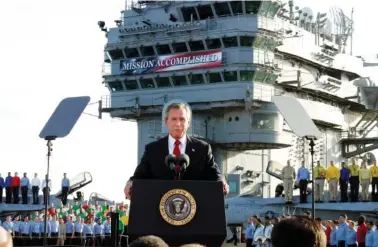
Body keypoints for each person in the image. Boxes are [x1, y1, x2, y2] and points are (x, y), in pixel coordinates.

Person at [124, 102, 228, 199]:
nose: (178, 124)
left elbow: (215, 175)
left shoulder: (203, 149)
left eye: (182, 119)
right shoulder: (152, 150)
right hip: (159, 210)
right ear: (166, 122)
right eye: (174, 119)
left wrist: (222, 181)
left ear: (189, 123)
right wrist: (131, 183)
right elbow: (139, 176)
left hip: (195, 210)